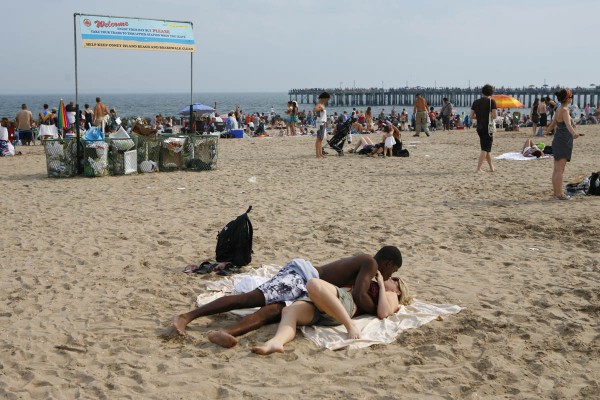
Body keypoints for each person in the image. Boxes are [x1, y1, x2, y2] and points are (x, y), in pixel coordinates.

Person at [174, 246, 403, 347]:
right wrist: (381, 294)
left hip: (307, 289)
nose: (389, 276)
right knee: (252, 299)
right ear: (388, 263)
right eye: (392, 272)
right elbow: (362, 297)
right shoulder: (370, 263)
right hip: (303, 276)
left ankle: (226, 332)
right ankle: (187, 316)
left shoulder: (369, 267)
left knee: (274, 312)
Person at [251, 272, 412, 355]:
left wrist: (383, 287)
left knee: (313, 284)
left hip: (345, 304)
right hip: (330, 306)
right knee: (289, 310)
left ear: (398, 291)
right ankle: (277, 342)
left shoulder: (391, 296)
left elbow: (383, 313)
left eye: (393, 280)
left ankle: (350, 325)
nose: (388, 278)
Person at [545, 88, 579, 200]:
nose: (572, 99)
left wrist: (546, 131)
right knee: (560, 170)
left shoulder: (559, 109)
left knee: (556, 169)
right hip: (564, 141)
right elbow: (569, 125)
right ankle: (559, 194)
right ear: (567, 98)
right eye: (571, 97)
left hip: (558, 139)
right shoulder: (564, 110)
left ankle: (556, 192)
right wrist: (574, 134)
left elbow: (553, 123)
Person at [470, 84, 497, 173]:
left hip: (479, 127)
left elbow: (471, 116)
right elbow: (494, 116)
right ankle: (478, 168)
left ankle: (491, 167)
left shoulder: (476, 102)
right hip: (487, 128)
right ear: (491, 93)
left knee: (486, 148)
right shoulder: (491, 102)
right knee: (485, 149)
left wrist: (479, 117)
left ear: (482, 92)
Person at [313, 92, 330, 159]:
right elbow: (314, 109)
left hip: (322, 122)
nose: (327, 100)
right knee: (319, 139)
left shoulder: (322, 104)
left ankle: (320, 154)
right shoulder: (319, 104)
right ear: (324, 98)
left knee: (321, 139)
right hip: (320, 123)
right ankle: (317, 154)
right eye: (327, 99)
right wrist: (320, 109)